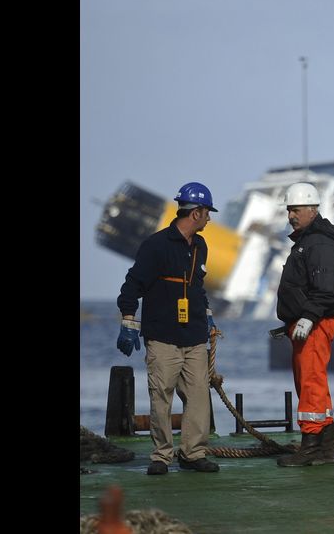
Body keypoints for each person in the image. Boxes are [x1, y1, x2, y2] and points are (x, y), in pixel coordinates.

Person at [116, 182, 220, 475]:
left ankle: (192, 453)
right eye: (207, 213)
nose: (210, 219)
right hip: (162, 338)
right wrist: (128, 320)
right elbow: (133, 284)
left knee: (199, 395)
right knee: (161, 396)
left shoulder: (201, 246)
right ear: (196, 213)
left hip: (195, 337)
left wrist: (207, 315)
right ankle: (161, 456)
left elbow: (197, 286)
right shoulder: (156, 245)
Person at [275, 182, 334, 467]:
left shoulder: (318, 243)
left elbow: (327, 287)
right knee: (313, 382)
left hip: (314, 324)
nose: (291, 215)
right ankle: (326, 446)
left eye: (296, 209)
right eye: (289, 210)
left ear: (312, 209)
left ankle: (310, 447)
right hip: (310, 322)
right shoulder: (310, 241)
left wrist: (308, 317)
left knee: (310, 382)